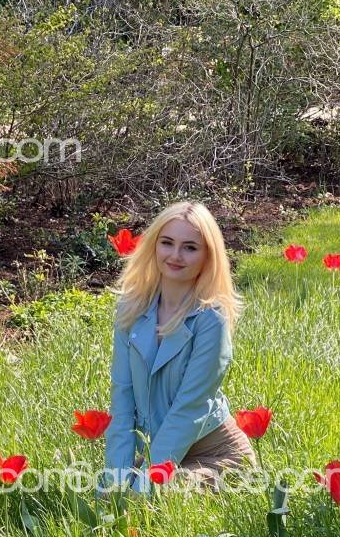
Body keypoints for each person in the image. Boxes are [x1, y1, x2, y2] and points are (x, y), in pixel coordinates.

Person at [102, 200, 257, 493]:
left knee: (151, 495)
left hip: (218, 457)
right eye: (167, 243)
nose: (175, 255)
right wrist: (115, 480)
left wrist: (146, 483)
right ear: (153, 246)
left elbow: (190, 408)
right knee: (110, 491)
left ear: (207, 256)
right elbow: (122, 398)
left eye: (190, 247)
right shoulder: (132, 307)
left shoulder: (211, 319)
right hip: (162, 450)